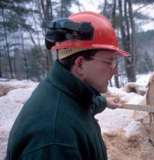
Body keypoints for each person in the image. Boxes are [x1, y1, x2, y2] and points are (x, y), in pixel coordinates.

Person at [6, 12, 128, 160]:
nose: (115, 71)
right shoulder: (55, 140)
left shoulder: (66, 91)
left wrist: (105, 102)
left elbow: (85, 104)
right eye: (110, 62)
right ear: (80, 64)